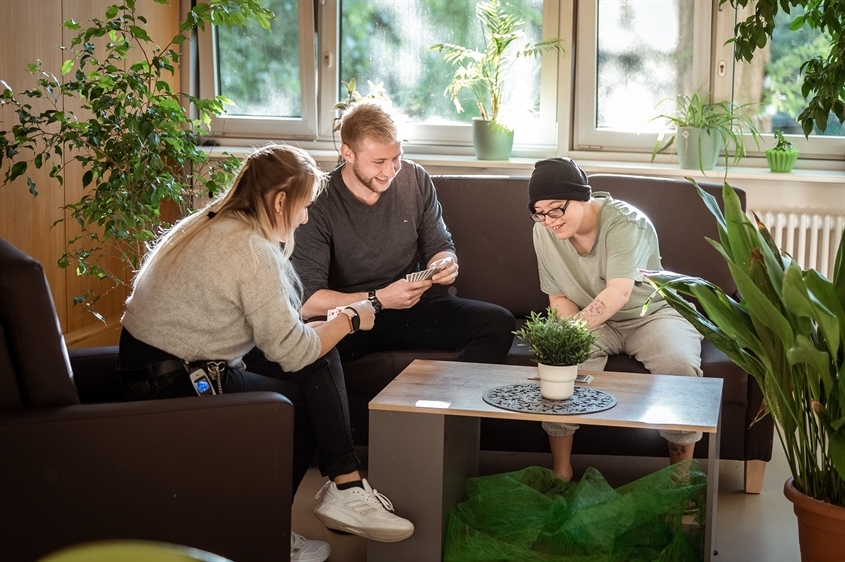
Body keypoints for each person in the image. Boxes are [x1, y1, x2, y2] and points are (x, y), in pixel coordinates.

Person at [118, 144, 414, 562]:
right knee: (303, 389)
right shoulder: (250, 248)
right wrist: (352, 316)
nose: (305, 217)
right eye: (304, 206)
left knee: (318, 354)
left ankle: (338, 494)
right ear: (280, 201)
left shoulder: (210, 221)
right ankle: (272, 528)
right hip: (179, 381)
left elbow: (285, 336)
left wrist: (325, 327)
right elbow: (294, 353)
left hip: (157, 367)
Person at [291, 101, 514, 367]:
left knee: (498, 323)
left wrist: (444, 263)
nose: (390, 171)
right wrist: (379, 298)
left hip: (409, 310)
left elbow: (439, 245)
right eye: (378, 162)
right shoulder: (318, 202)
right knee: (310, 355)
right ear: (347, 153)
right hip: (350, 317)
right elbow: (309, 301)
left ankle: (451, 404)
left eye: (396, 157)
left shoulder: (414, 178)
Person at [527, 157, 704, 481]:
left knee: (679, 367)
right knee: (559, 365)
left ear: (581, 196)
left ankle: (681, 479)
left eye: (556, 209)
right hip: (591, 317)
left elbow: (619, 293)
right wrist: (566, 340)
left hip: (649, 316)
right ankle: (561, 473)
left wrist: (572, 332)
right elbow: (558, 297)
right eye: (539, 212)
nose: (549, 220)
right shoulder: (543, 231)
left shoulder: (626, 223)